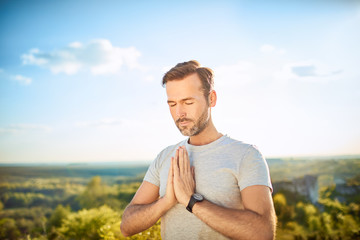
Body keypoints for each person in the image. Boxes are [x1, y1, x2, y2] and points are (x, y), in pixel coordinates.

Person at [120, 60, 276, 240]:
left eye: (187, 102)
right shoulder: (165, 157)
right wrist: (166, 202)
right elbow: (127, 226)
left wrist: (191, 201)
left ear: (212, 99)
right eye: (172, 104)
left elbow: (263, 233)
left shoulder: (246, 155)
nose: (179, 113)